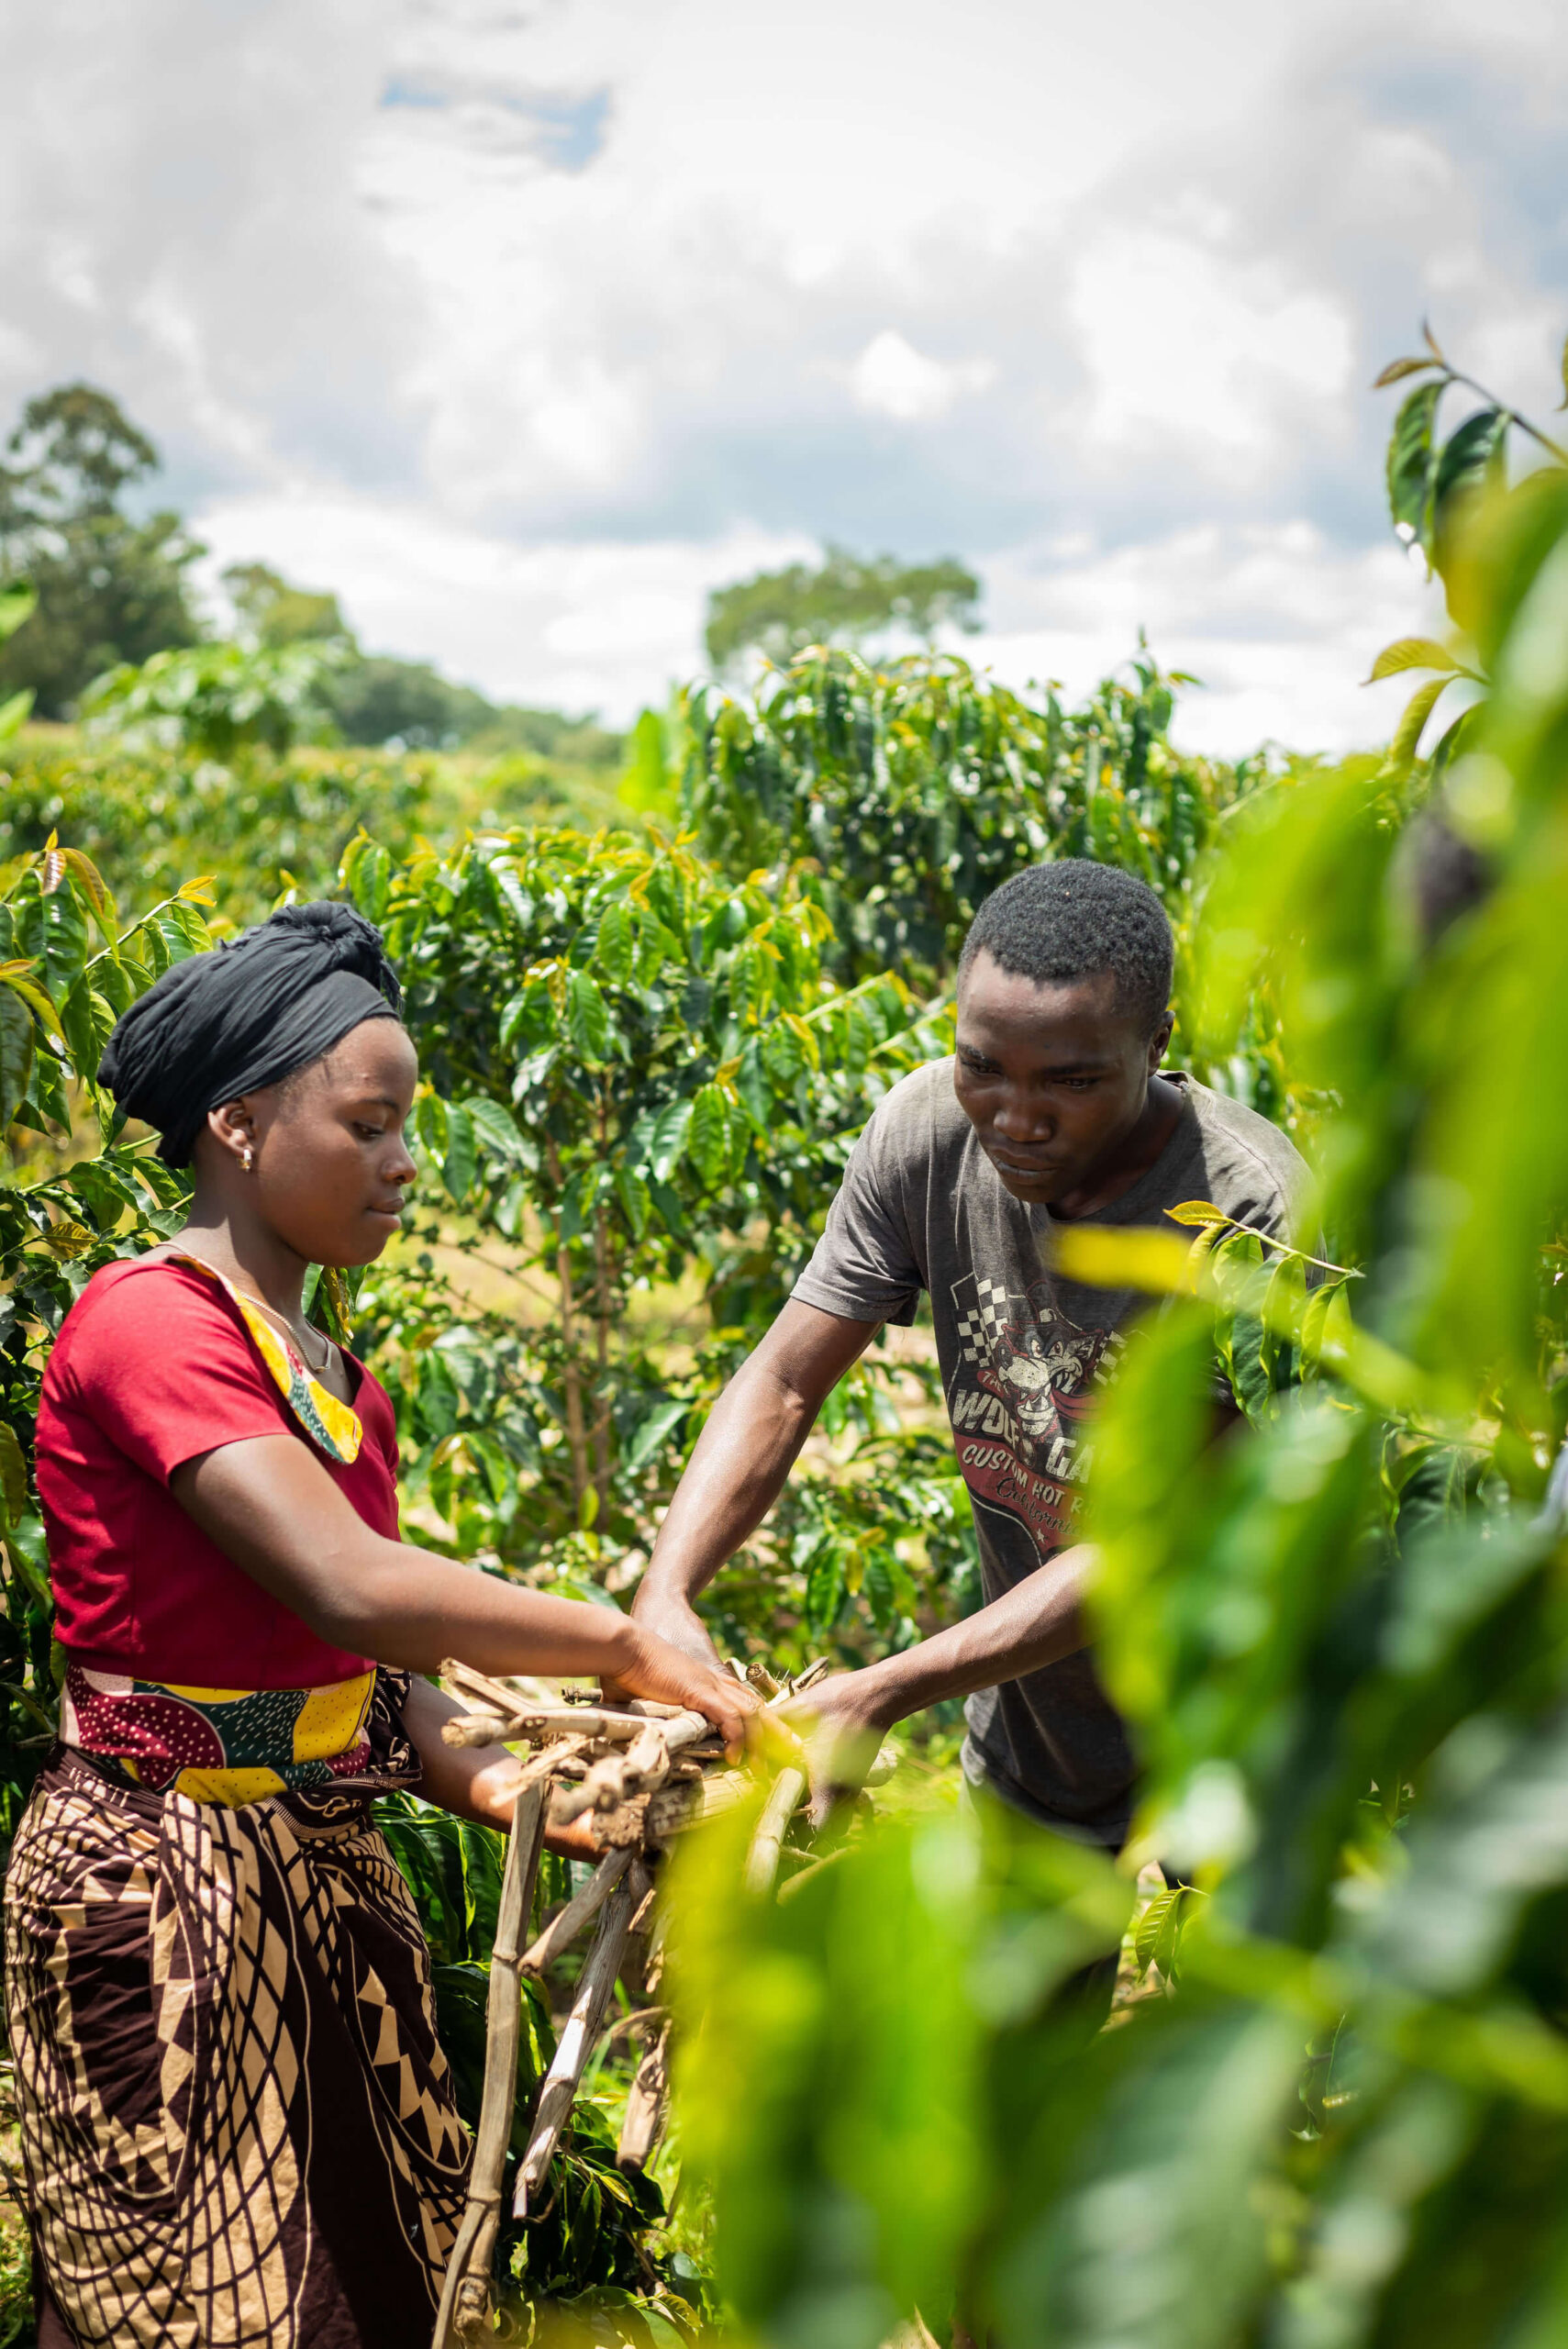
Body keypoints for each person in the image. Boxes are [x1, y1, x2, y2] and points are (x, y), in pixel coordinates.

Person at [4, 901, 757, 2349]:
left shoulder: (341, 1382)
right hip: (162, 1889)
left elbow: (368, 1682)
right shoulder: (146, 1322)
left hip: (330, 1890)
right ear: (237, 1123)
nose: (404, 1164)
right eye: (369, 1125)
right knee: (172, 2309)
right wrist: (620, 1643)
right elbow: (345, 1584)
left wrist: (574, 1800)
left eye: (407, 1127)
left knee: (367, 2299)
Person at [632, 859, 1310, 1843]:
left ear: (1155, 1043)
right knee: (1015, 2000)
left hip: (1240, 1739)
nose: (1014, 1118)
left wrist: (883, 1690)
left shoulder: (1246, 1216)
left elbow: (1149, 1543)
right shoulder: (927, 1134)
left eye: (1070, 1082)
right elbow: (782, 1381)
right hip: (1039, 1734)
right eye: (982, 1066)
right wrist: (664, 1590)